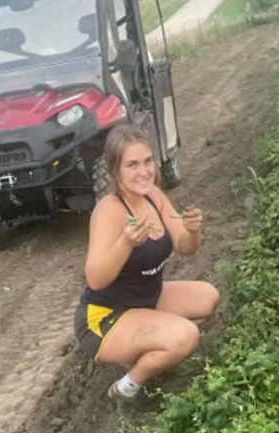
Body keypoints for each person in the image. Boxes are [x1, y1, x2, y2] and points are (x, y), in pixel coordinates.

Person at [74, 124, 220, 402]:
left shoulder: (154, 196)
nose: (144, 172)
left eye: (148, 161)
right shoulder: (109, 211)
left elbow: (185, 247)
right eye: (132, 165)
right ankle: (128, 385)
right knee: (186, 336)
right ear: (115, 170)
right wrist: (125, 243)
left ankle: (146, 349)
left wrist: (193, 231)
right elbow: (95, 279)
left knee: (209, 298)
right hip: (105, 316)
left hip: (145, 299)